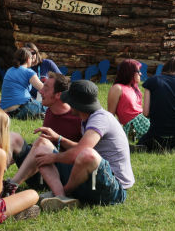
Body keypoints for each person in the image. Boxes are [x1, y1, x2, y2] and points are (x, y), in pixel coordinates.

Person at [21, 80, 134, 210]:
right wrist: (59, 139)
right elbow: (80, 149)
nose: (67, 104)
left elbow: (79, 153)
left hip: (113, 187)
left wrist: (54, 157)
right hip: (94, 177)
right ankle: (61, 197)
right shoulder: (87, 118)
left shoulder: (100, 119)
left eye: (69, 101)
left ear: (76, 104)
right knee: (42, 150)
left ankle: (65, 192)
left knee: (87, 155)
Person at [6, 72, 82, 192]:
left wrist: (58, 138)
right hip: (40, 171)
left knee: (41, 141)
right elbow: (41, 147)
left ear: (58, 95)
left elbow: (87, 150)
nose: (40, 91)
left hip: (62, 175)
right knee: (14, 138)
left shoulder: (77, 116)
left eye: (46, 88)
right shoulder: (50, 112)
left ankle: (11, 185)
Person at [138, 56, 175, 151]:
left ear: (166, 67)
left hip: (155, 135)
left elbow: (146, 113)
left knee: (143, 142)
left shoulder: (151, 81)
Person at [107, 59, 149, 142]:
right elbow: (110, 115)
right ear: (130, 72)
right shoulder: (117, 88)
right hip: (133, 125)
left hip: (143, 119)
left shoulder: (135, 88)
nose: (140, 74)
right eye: (138, 71)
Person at [0, 48, 45, 119]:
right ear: (28, 59)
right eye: (31, 58)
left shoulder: (9, 70)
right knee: (47, 106)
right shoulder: (29, 72)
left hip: (6, 112)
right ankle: (40, 114)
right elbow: (43, 88)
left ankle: (38, 115)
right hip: (22, 109)